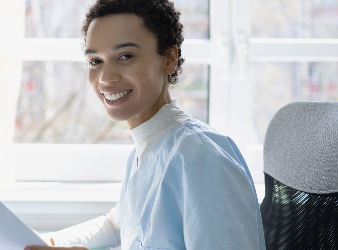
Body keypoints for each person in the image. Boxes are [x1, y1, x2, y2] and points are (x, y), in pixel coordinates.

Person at [24, 0, 265, 249]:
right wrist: (48, 242)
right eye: (95, 61)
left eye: (125, 56)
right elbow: (120, 226)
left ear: (170, 58)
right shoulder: (146, 149)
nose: (106, 78)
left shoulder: (202, 157)